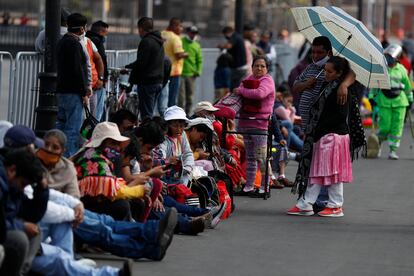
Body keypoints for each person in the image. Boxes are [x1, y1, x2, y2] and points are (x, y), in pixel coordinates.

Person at [287, 56, 365, 217]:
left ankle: (335, 205)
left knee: (332, 173)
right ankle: (307, 203)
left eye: (330, 71)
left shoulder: (342, 90)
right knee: (319, 171)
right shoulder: (328, 85)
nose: (326, 73)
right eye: (325, 70)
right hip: (326, 135)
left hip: (333, 135)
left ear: (339, 73)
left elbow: (338, 115)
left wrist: (319, 129)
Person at [0, 147, 48, 275]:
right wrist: (21, 226)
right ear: (12, 170)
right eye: (23, 184)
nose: (22, 189)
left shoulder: (12, 185)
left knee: (35, 230)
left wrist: (42, 189)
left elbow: (31, 214)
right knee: (19, 240)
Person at [292, 36, 355, 131]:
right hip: (307, 125)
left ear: (329, 53)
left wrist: (344, 85)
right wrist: (306, 84)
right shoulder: (310, 67)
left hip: (323, 126)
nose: (315, 56)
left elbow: (352, 74)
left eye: (319, 52)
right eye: (313, 52)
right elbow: (295, 87)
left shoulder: (333, 66)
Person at [234, 55, 275, 198]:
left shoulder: (268, 81)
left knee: (261, 157)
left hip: (260, 124)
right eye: (256, 65)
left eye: (262, 66)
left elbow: (259, 94)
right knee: (250, 157)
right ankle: (249, 186)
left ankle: (265, 187)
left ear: (267, 69)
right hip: (246, 123)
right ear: (252, 67)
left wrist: (241, 91)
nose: (259, 68)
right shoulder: (248, 79)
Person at [369, 44, 413, 160]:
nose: (388, 58)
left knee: (397, 128)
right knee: (385, 127)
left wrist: (410, 99)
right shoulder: (381, 69)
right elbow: (374, 85)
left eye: (390, 56)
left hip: (400, 102)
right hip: (384, 101)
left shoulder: (402, 70)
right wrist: (371, 98)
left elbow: (407, 86)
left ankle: (393, 151)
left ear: (396, 58)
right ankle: (377, 144)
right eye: (386, 56)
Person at [56, 13, 90, 157]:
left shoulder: (62, 41)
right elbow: (78, 70)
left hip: (62, 90)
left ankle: (56, 156)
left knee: (61, 126)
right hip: (73, 92)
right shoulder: (75, 44)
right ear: (82, 28)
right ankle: (68, 159)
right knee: (72, 130)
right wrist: (84, 92)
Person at [127, 17, 165, 119]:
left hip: (148, 82)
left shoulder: (147, 41)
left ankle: (148, 134)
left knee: (146, 115)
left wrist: (128, 68)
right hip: (158, 81)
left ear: (141, 29)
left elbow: (141, 63)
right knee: (150, 111)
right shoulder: (159, 41)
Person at [152, 106, 194, 186]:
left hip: (178, 173)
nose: (179, 129)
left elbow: (188, 153)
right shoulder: (163, 139)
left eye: (181, 126)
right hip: (164, 175)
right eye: (175, 126)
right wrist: (168, 161)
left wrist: (188, 167)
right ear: (167, 125)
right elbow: (159, 160)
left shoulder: (182, 135)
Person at [162, 18, 188, 107]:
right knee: (172, 99)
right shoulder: (175, 38)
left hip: (161, 70)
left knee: (162, 97)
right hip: (174, 71)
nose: (181, 29)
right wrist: (185, 54)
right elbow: (178, 54)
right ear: (174, 26)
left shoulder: (161, 34)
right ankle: (170, 118)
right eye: (180, 26)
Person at [87, 20, 109, 121]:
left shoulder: (86, 39)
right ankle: (95, 132)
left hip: (89, 79)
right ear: (100, 31)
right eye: (105, 33)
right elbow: (102, 59)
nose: (106, 36)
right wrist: (103, 78)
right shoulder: (97, 41)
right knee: (97, 112)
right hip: (97, 80)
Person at [179, 26, 203, 114]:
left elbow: (199, 60)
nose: (193, 35)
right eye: (191, 32)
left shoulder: (197, 45)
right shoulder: (181, 41)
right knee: (181, 98)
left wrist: (198, 71)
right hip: (181, 73)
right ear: (188, 32)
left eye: (195, 33)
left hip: (191, 75)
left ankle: (187, 115)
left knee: (189, 97)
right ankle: (180, 115)